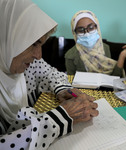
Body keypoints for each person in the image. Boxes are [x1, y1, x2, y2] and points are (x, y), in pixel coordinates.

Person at [0, 0, 99, 149]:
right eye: (33, 43)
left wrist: (63, 89)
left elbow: (51, 73)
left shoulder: (26, 65)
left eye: (41, 45)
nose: (38, 55)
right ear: (8, 38)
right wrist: (61, 118)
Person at [65, 10, 126, 77]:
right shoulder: (70, 56)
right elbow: (70, 83)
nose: (87, 33)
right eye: (81, 30)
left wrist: (122, 56)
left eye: (90, 27)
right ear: (74, 33)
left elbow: (114, 78)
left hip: (104, 91)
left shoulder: (105, 48)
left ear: (97, 27)